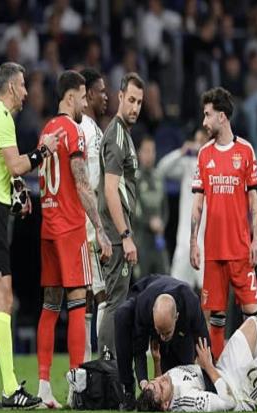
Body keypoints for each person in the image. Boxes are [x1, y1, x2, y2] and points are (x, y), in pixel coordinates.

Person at [0, 62, 59, 409]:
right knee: (4, 299)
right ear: (10, 88)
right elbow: (16, 164)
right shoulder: (3, 118)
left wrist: (16, 189)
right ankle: (10, 389)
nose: (25, 92)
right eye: (22, 86)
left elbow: (2, 170)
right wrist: (43, 149)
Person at [36, 70, 112, 408]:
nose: (85, 103)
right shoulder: (72, 131)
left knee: (50, 306)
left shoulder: (47, 130)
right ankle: (76, 385)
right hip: (70, 227)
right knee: (79, 304)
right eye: (82, 97)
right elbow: (82, 183)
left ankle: (43, 387)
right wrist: (100, 229)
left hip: (48, 226)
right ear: (70, 97)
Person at [190, 87, 257, 361]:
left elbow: (253, 200)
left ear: (222, 116)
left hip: (241, 250)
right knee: (216, 319)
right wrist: (193, 242)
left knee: (251, 316)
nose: (204, 121)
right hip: (214, 252)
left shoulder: (245, 151)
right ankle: (217, 374)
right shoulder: (204, 154)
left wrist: (256, 239)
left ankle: (256, 376)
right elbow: (198, 204)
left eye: (208, 115)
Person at [136, 316, 257, 413]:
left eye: (155, 380)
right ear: (166, 405)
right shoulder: (188, 401)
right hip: (240, 393)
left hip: (224, 372)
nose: (161, 379)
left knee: (252, 323)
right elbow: (228, 402)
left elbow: (159, 386)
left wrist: (157, 361)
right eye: (161, 387)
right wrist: (208, 366)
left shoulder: (165, 385)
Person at [97, 72, 144, 356]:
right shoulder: (116, 136)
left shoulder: (123, 134)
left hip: (118, 232)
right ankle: (106, 368)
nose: (135, 107)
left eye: (139, 102)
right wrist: (125, 235)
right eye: (131, 100)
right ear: (120, 97)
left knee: (117, 299)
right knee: (115, 301)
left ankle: (109, 364)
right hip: (116, 234)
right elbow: (111, 189)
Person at [113, 274, 210, 410]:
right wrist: (143, 381)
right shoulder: (144, 307)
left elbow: (204, 344)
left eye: (166, 333)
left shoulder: (190, 304)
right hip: (145, 294)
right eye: (159, 332)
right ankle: (127, 390)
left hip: (181, 320)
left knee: (179, 372)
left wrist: (211, 383)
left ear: (177, 317)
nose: (162, 338)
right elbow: (139, 349)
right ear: (153, 315)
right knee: (122, 315)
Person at [79, 68, 108, 361]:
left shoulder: (88, 128)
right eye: (101, 91)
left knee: (86, 296)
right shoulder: (88, 130)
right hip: (90, 223)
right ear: (88, 94)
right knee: (102, 294)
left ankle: (85, 367)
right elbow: (90, 181)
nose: (106, 96)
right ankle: (104, 363)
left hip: (84, 222)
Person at [156, 128, 208, 290]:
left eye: (202, 141)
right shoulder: (188, 166)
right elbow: (161, 169)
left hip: (206, 243)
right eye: (196, 141)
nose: (198, 145)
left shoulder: (217, 170)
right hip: (184, 242)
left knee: (207, 292)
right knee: (176, 290)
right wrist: (181, 151)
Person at [134, 136, 169, 278]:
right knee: (143, 283)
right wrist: (149, 222)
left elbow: (165, 208)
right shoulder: (134, 179)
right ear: (139, 153)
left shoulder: (158, 177)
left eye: (152, 151)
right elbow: (133, 211)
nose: (150, 155)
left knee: (164, 280)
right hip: (141, 240)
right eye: (146, 151)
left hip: (159, 240)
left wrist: (162, 223)